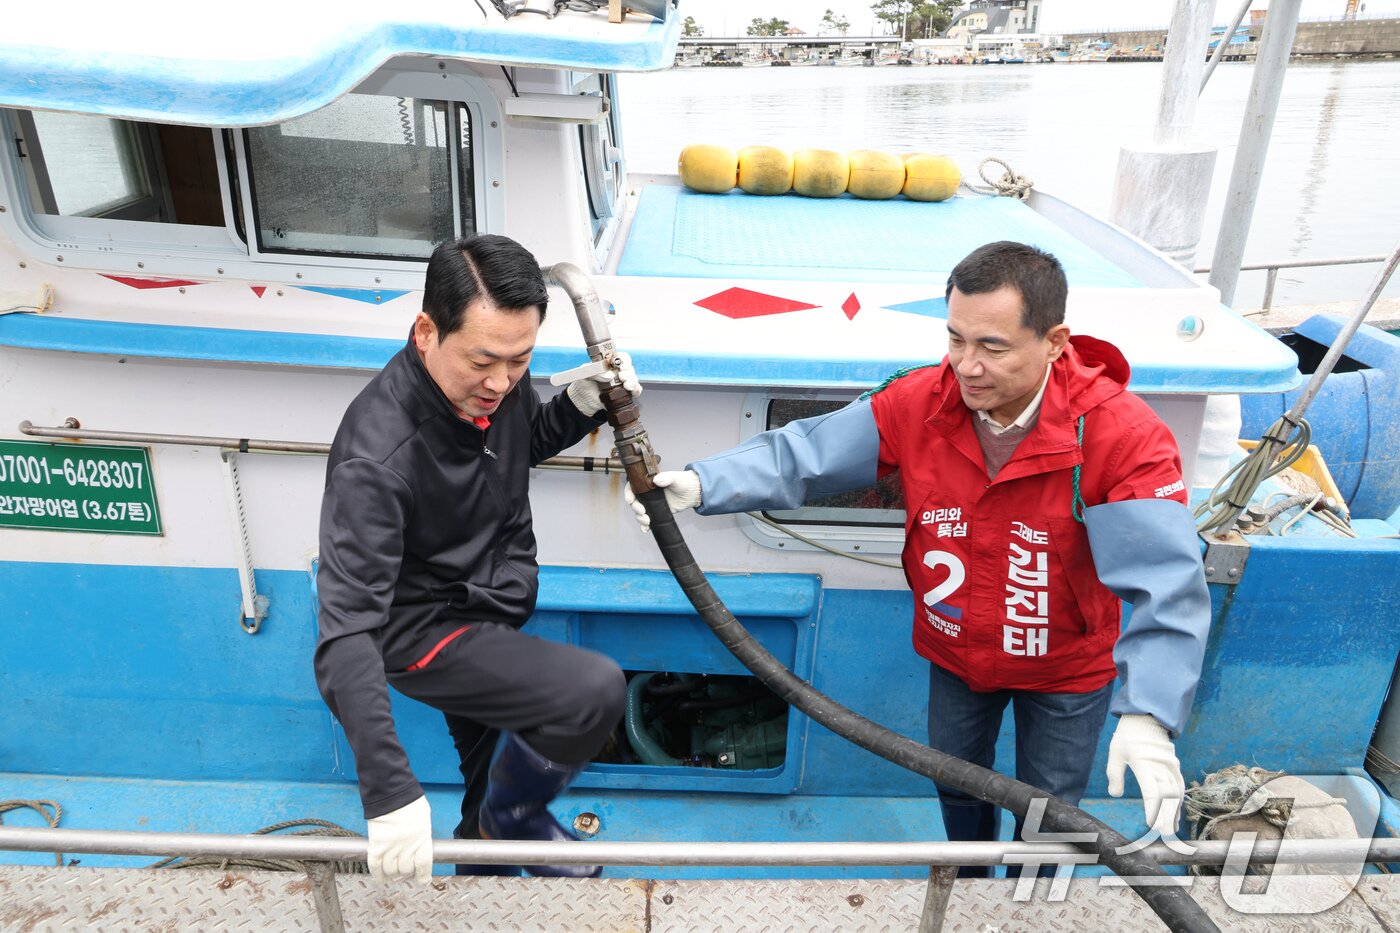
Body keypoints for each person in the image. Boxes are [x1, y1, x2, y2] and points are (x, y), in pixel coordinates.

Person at [627, 241, 1210, 874]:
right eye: (955, 340)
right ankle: (965, 872)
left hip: (1067, 666)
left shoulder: (1119, 434)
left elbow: (1167, 580)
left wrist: (1149, 713)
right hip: (956, 651)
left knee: (1055, 810)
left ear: (1055, 341)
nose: (967, 366)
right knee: (956, 783)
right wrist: (706, 483)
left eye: (993, 347)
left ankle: (1038, 902)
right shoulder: (921, 401)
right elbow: (807, 453)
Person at [315, 234, 635, 884]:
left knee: (486, 777)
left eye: (520, 361)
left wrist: (577, 408)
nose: (501, 382)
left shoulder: (492, 382)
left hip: (486, 604)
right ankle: (513, 822)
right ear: (426, 329)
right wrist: (389, 790)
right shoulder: (376, 458)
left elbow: (513, 445)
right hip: (422, 632)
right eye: (485, 361)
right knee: (592, 691)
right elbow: (347, 632)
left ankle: (481, 880)